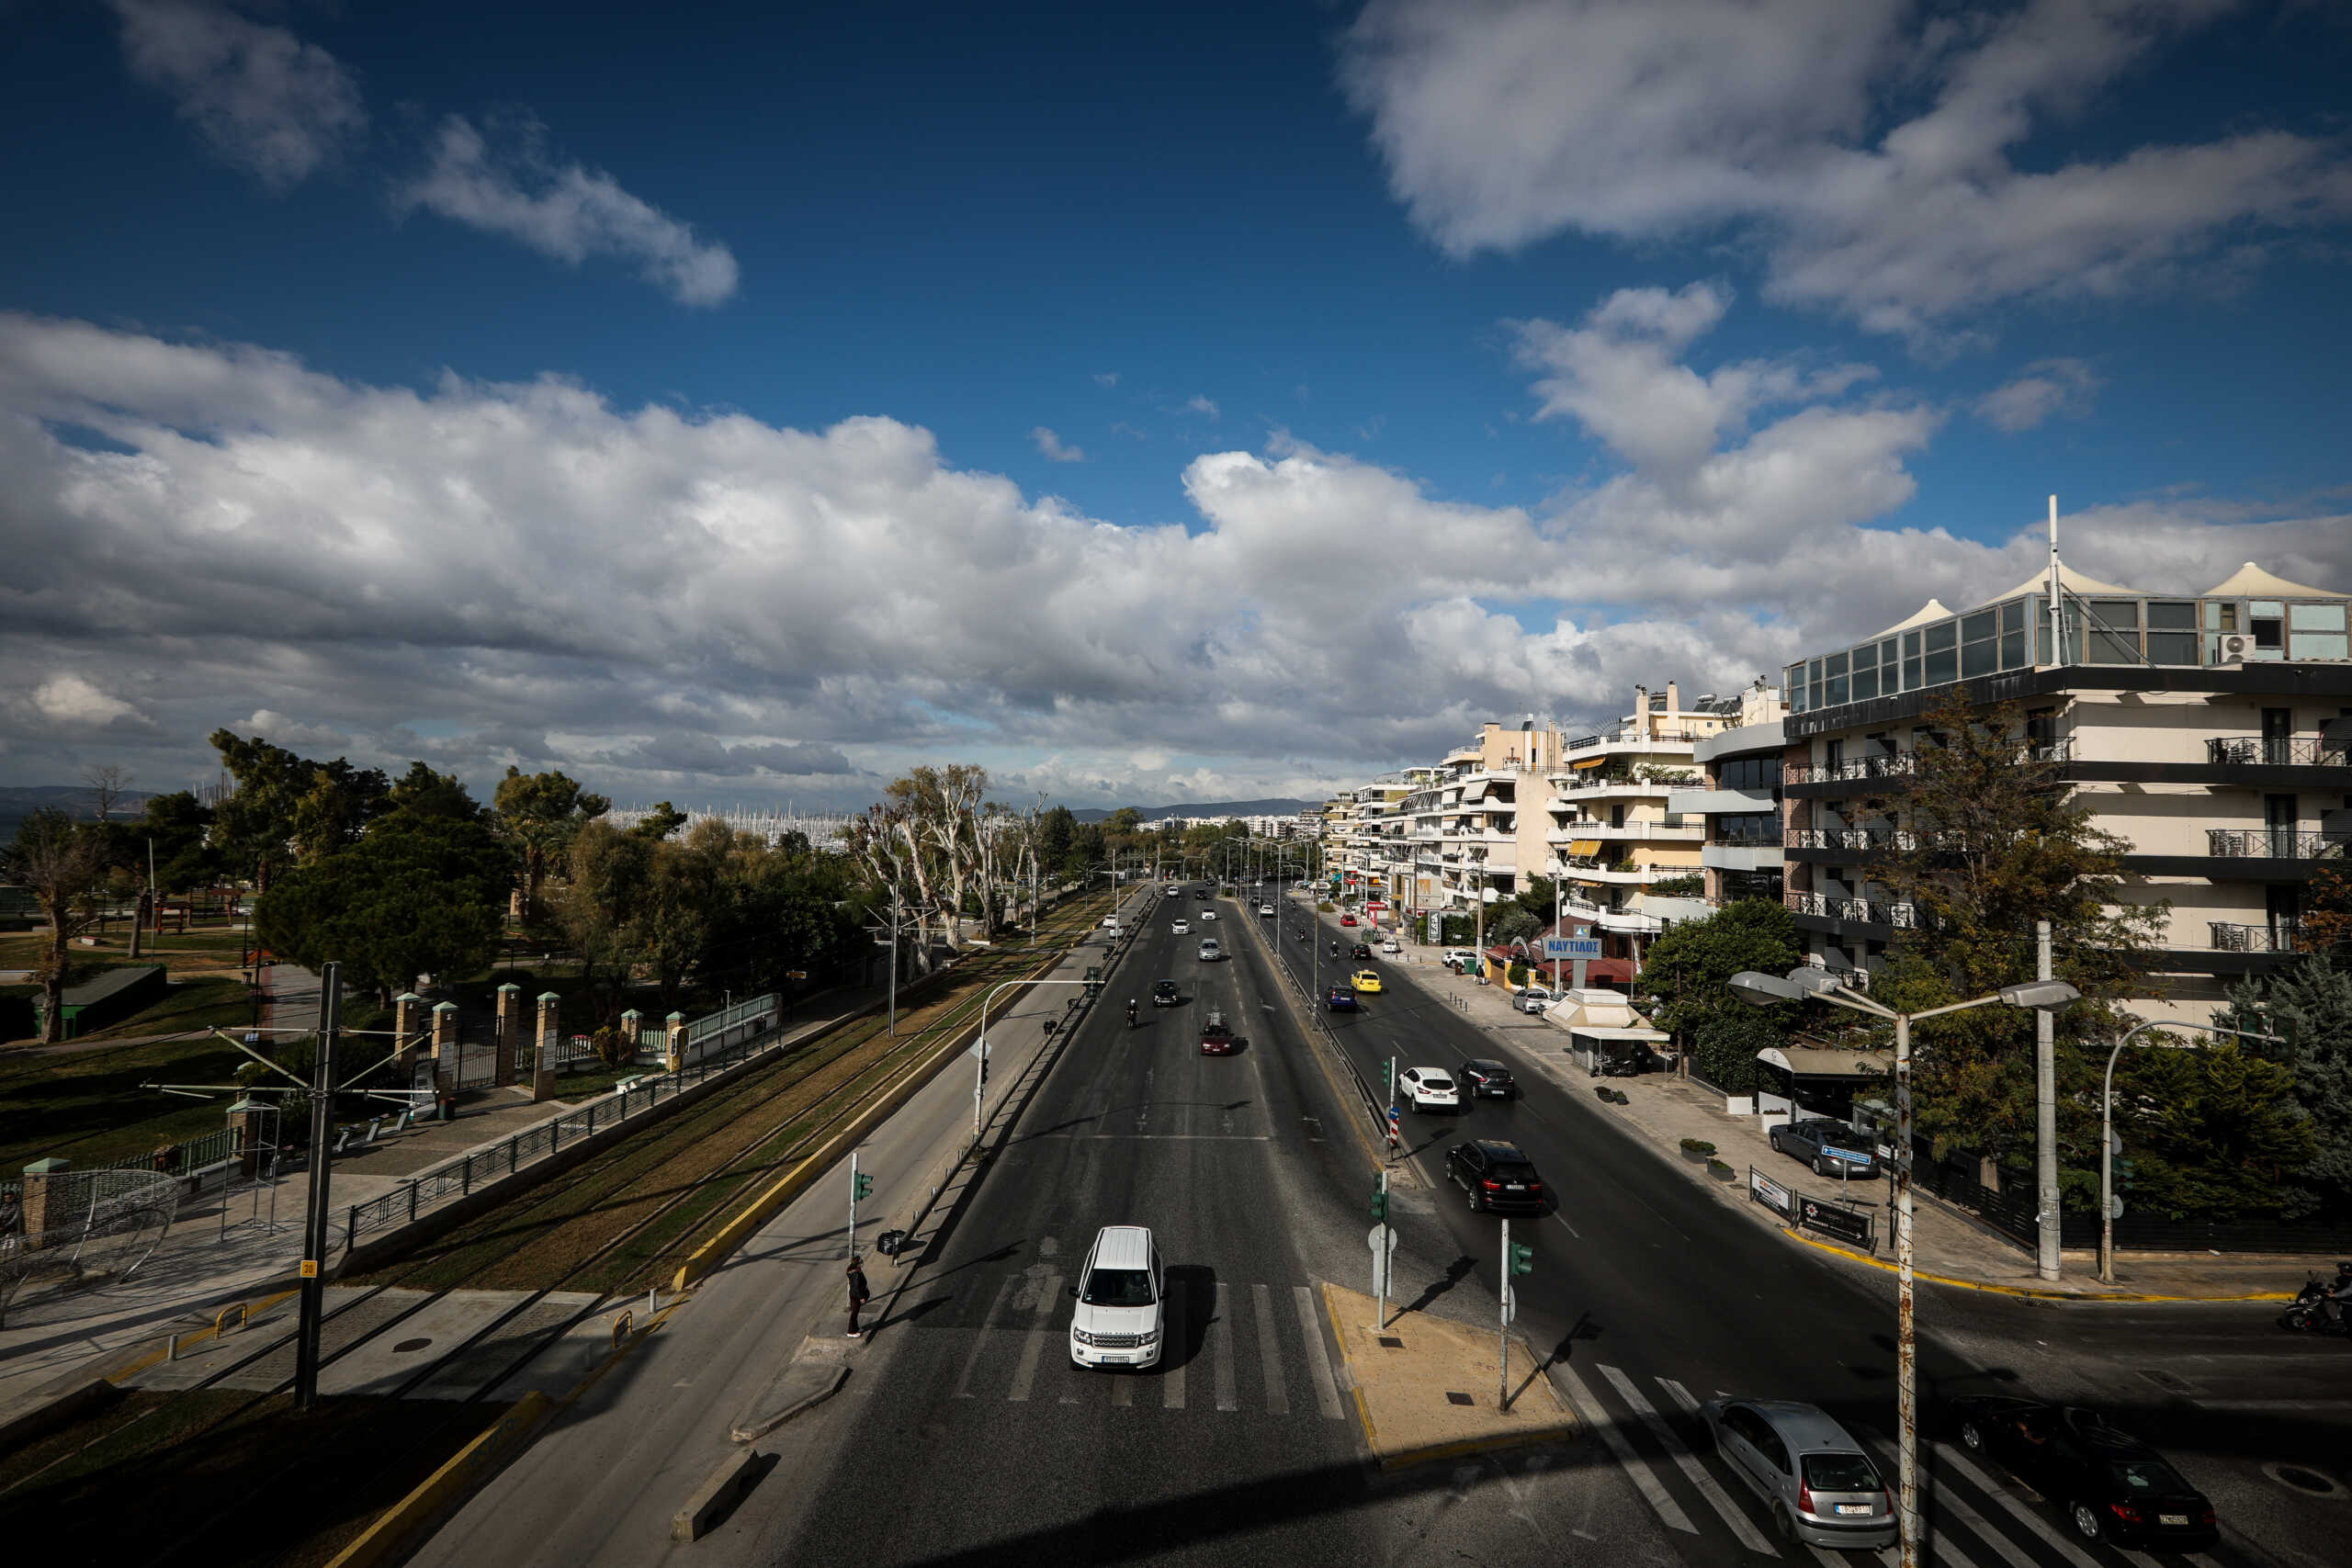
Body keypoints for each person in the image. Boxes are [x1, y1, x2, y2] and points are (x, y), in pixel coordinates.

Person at [846, 1255, 871, 1338]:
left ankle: (855, 1328)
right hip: (856, 1296)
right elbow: (856, 1287)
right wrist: (861, 1297)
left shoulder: (855, 1271)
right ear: (857, 1264)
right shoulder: (856, 1274)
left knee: (855, 1312)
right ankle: (851, 1331)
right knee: (854, 1313)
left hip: (854, 1294)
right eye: (860, 1263)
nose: (862, 1264)